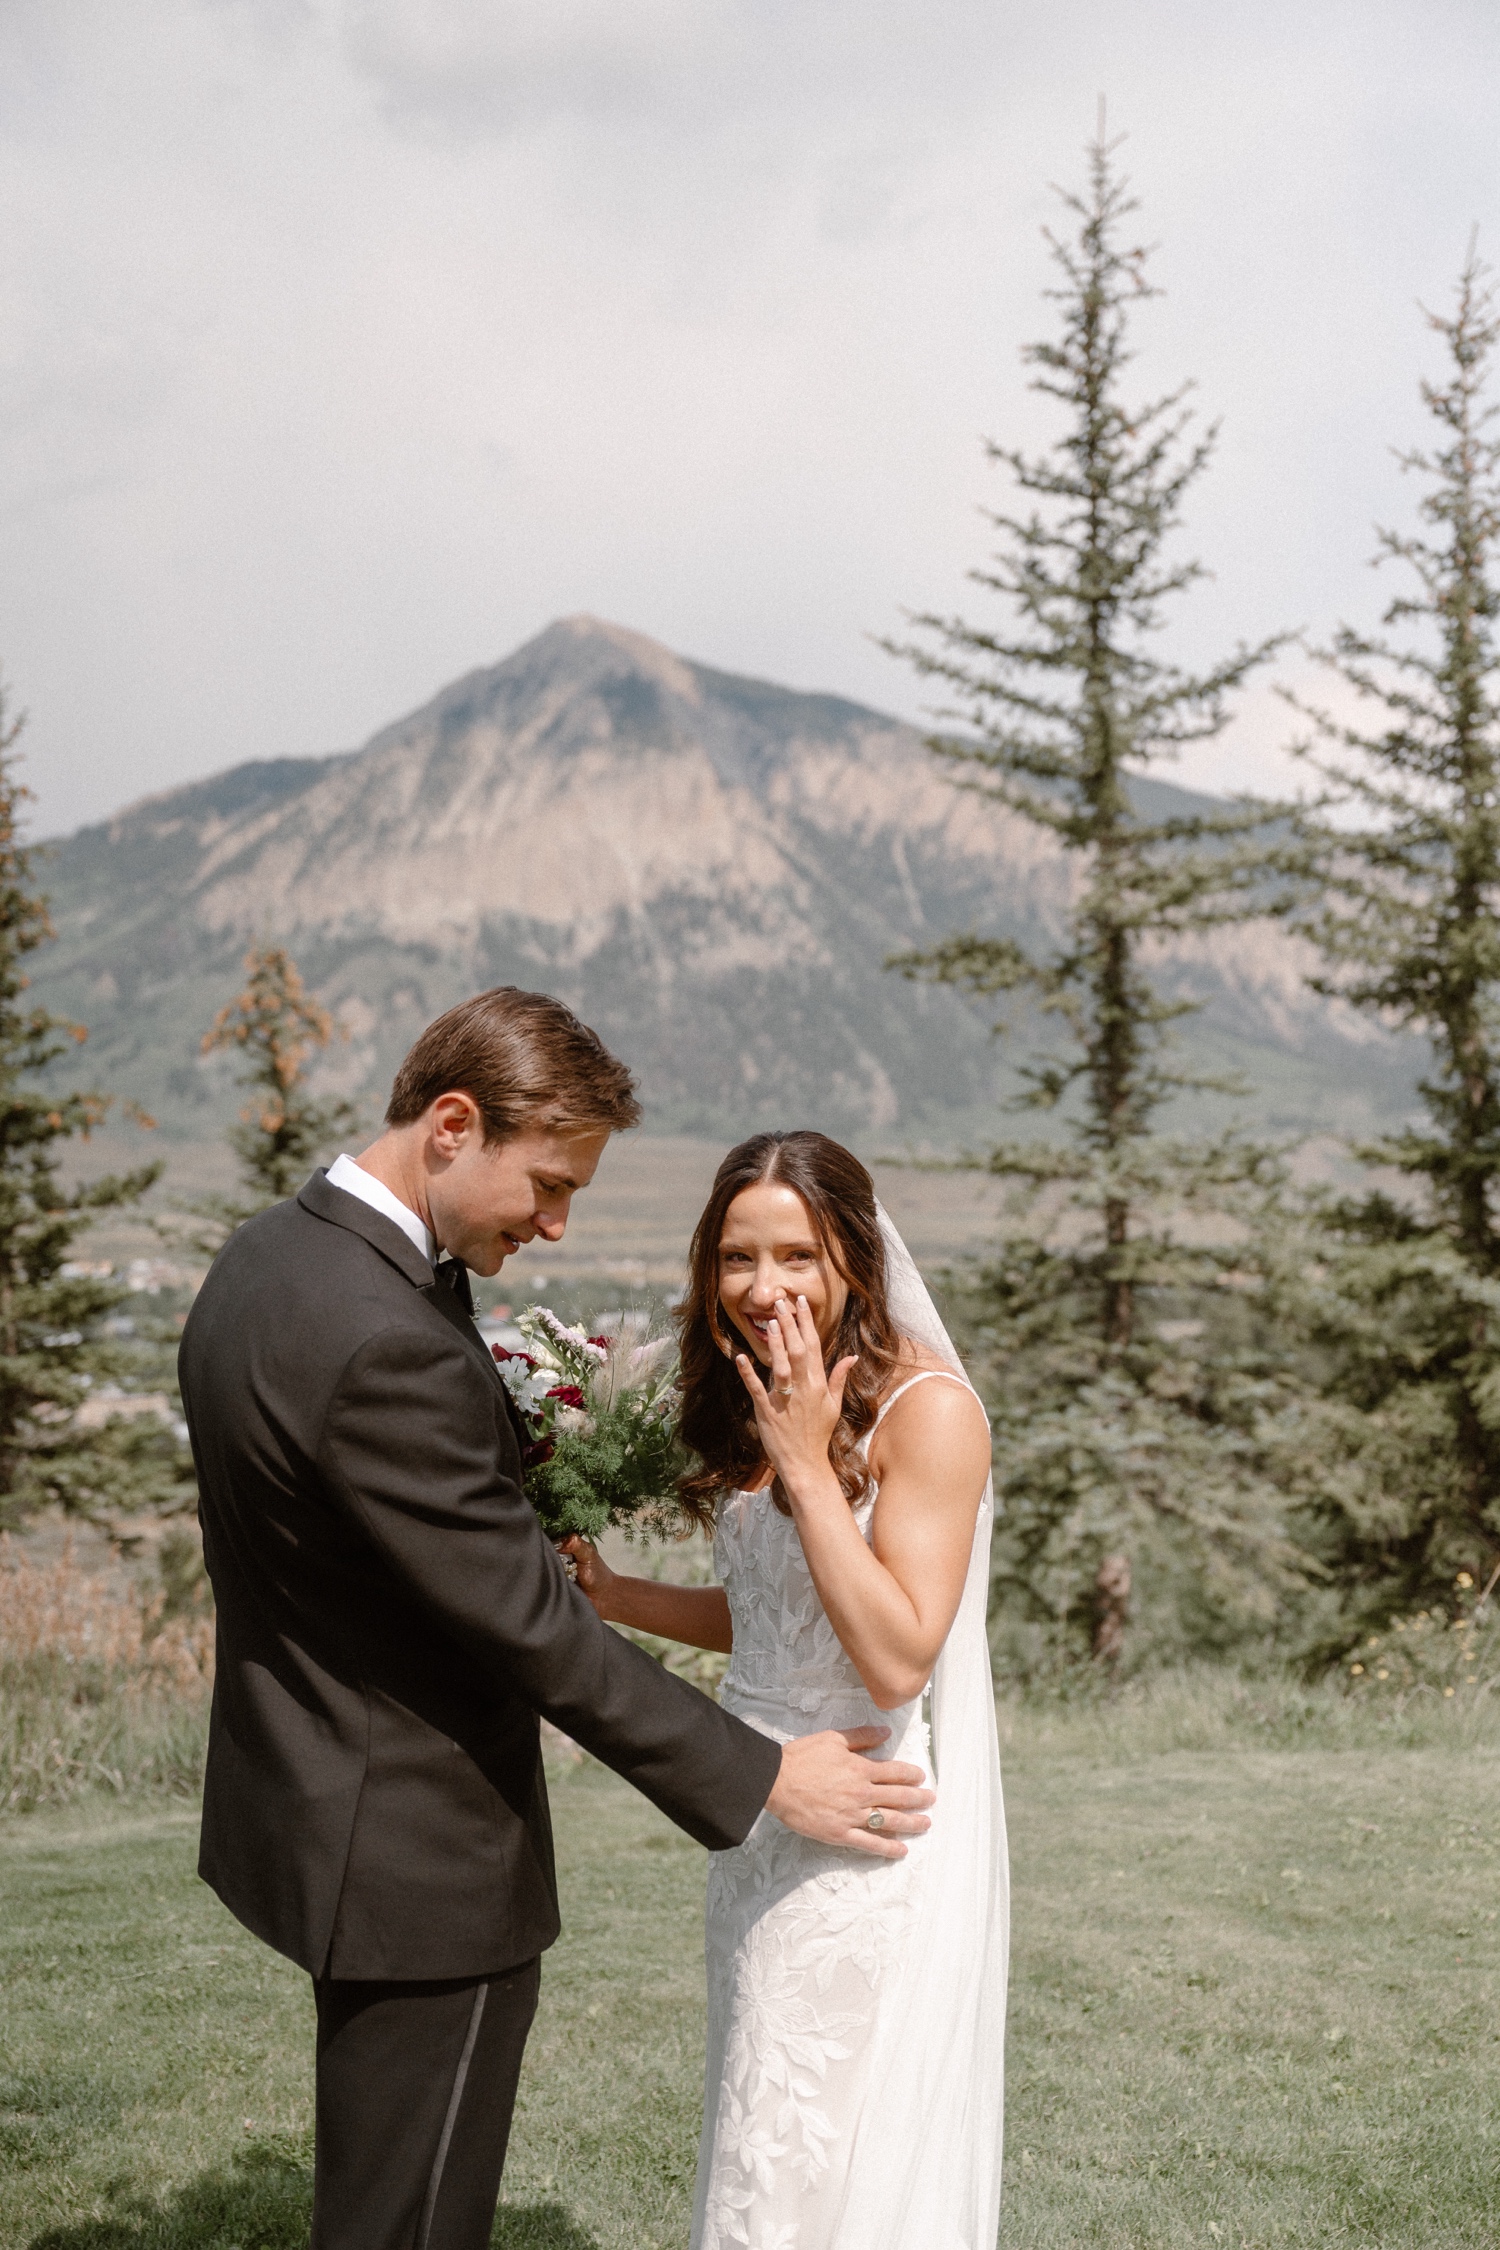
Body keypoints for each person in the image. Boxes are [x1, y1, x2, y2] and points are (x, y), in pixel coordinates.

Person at [178, 994, 936, 2250]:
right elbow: (531, 1627)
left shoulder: (268, 1259)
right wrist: (758, 1779)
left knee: (376, 2195)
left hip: (313, 1789)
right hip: (417, 1849)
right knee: (413, 2218)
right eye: (546, 1182)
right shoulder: (386, 1337)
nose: (555, 1221)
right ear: (452, 1125)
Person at [564, 1129, 1010, 2249]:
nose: (766, 1290)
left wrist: (809, 1466)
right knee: (761, 2129)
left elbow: (897, 1652)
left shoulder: (930, 1414)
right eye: (736, 1258)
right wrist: (619, 1594)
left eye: (797, 1256)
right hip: (757, 1824)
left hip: (858, 1841)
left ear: (853, 1255)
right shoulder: (767, 1396)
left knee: (826, 2153)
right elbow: (778, 1611)